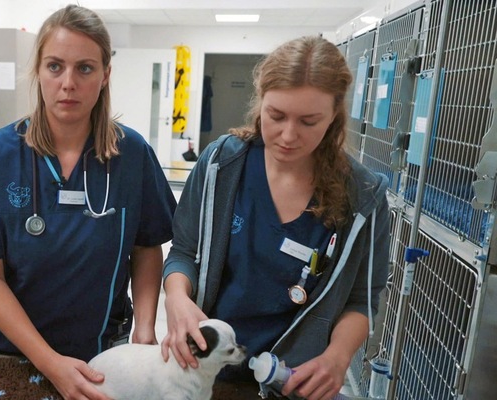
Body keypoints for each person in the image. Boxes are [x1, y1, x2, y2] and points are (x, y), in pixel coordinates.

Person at [0, 5, 177, 399]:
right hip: (6, 351)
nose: (68, 83)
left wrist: (145, 331)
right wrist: (48, 362)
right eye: (55, 66)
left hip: (101, 353)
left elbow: (147, 246)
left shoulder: (132, 154)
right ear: (38, 71)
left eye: (85, 68)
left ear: (105, 75)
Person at [160, 35, 390, 400]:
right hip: (207, 370)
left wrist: (337, 356)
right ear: (260, 102)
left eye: (309, 122)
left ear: (334, 117)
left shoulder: (363, 197)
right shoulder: (222, 166)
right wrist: (176, 297)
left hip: (293, 380)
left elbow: (362, 300)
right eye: (276, 116)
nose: (287, 136)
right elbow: (183, 253)